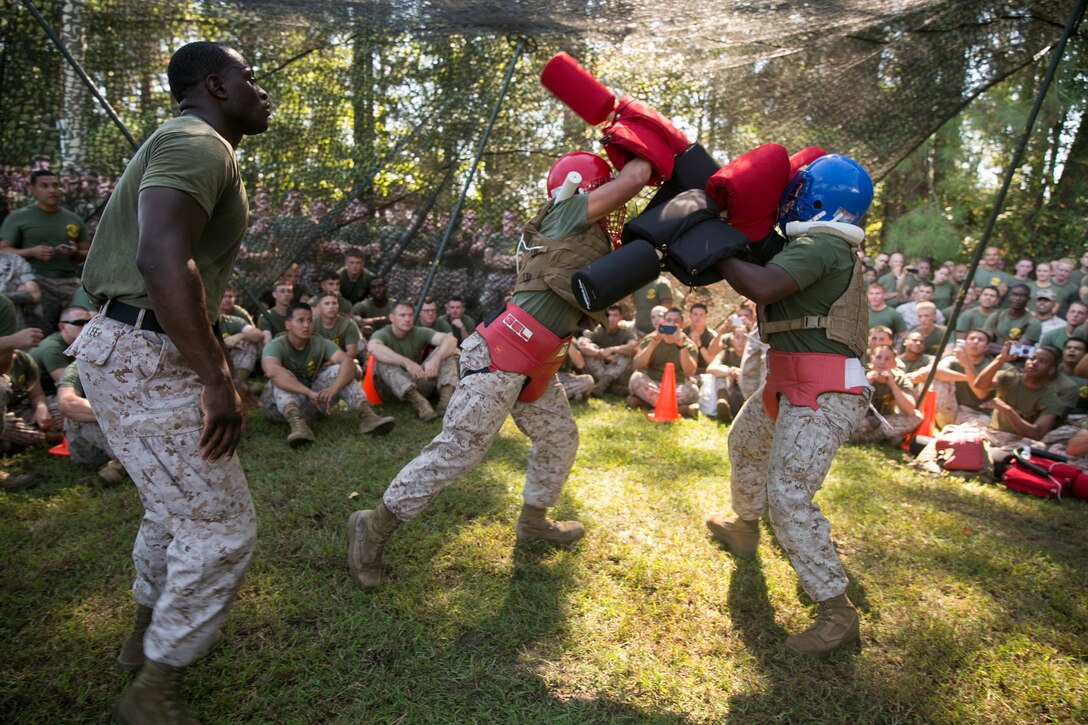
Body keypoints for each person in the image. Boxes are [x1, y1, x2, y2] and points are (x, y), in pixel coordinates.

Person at [66, 41, 270, 723]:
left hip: (128, 343)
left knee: (172, 505)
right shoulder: (198, 141)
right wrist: (216, 376)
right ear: (216, 85)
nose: (261, 89)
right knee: (220, 526)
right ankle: (153, 691)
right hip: (144, 351)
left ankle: (142, 637)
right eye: (250, 78)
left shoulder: (192, 141)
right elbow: (161, 256)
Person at [347, 153, 653, 590]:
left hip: (539, 362)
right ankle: (371, 529)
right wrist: (650, 154)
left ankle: (534, 520)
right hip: (501, 359)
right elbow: (637, 176)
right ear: (582, 188)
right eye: (602, 187)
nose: (614, 205)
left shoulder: (588, 239)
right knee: (459, 450)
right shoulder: (564, 212)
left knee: (559, 436)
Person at [703, 154, 874, 657]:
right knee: (745, 443)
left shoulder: (825, 243)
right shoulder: (813, 244)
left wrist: (715, 247)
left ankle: (837, 613)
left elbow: (760, 285)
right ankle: (745, 525)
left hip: (822, 391)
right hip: (791, 382)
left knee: (791, 495)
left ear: (819, 198)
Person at [260, 302, 394, 446]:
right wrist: (308, 392)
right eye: (300, 320)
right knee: (281, 374)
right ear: (288, 324)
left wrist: (333, 388)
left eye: (309, 320)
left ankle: (368, 416)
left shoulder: (319, 342)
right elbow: (272, 371)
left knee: (338, 369)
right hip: (277, 410)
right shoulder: (276, 345)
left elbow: (348, 362)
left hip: (313, 405)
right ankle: (298, 426)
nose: (306, 325)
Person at [0, 168, 89, 333]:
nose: (52, 190)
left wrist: (74, 252)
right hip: (37, 280)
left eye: (55, 185)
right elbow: (3, 252)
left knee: (76, 329)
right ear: (33, 189)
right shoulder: (19, 217)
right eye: (45, 186)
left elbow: (87, 253)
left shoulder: (73, 219)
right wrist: (31, 252)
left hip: (69, 281)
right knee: (40, 330)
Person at [367, 300, 459, 421]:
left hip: (417, 381)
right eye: (402, 315)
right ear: (392, 318)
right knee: (382, 360)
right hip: (390, 390)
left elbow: (451, 340)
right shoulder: (383, 333)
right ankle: (420, 404)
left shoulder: (418, 331)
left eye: (410, 315)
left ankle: (445, 401)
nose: (407, 319)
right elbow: (373, 347)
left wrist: (436, 359)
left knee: (449, 352)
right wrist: (406, 362)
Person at [55, 361, 127, 484]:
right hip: (89, 444)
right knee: (78, 414)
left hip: (131, 426)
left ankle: (123, 463)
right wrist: (121, 416)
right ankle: (128, 459)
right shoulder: (81, 365)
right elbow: (67, 403)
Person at [628, 306, 700, 416]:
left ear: (682, 325)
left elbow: (690, 372)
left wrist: (681, 346)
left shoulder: (688, 345)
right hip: (652, 383)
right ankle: (678, 409)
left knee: (693, 390)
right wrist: (653, 344)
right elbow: (637, 364)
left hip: (675, 387)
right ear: (663, 322)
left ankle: (648, 405)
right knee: (636, 378)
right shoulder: (651, 339)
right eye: (668, 320)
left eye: (676, 322)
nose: (671, 324)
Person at [850, 344, 920, 444]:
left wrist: (893, 385)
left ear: (893, 363)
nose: (882, 362)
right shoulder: (861, 372)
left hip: (887, 420)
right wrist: (866, 383)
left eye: (887, 359)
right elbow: (849, 403)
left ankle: (870, 437)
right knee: (852, 422)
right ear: (872, 359)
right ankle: (887, 438)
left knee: (916, 416)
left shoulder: (900, 379)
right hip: (863, 418)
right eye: (879, 357)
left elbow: (909, 410)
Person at [932, 328, 997, 429]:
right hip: (952, 410)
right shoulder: (953, 360)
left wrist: (967, 365)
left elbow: (981, 394)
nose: (975, 342)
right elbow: (934, 372)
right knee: (936, 380)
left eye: (980, 340)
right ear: (965, 344)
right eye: (972, 339)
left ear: (986, 347)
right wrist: (968, 378)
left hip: (977, 415)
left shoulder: (990, 367)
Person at [577, 303, 638, 396]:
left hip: (618, 371)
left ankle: (602, 385)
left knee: (626, 353)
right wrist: (601, 354)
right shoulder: (598, 330)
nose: (611, 319)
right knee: (590, 348)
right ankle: (611, 387)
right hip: (600, 369)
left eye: (615, 315)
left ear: (621, 317)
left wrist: (612, 349)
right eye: (609, 315)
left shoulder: (625, 331)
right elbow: (583, 345)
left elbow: (632, 346)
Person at [983, 283, 1041, 354]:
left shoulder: (1033, 322)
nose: (1017, 298)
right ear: (1009, 296)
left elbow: (1019, 351)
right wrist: (1009, 349)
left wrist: (989, 347)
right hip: (990, 358)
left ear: (1028, 299)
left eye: (1022, 296)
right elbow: (983, 342)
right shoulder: (996, 316)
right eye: (1014, 294)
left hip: (1014, 363)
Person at [259, 278, 293, 343]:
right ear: (274, 294)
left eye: (289, 291)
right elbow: (268, 342)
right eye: (282, 291)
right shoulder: (266, 317)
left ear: (292, 295)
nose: (286, 294)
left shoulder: (297, 315)